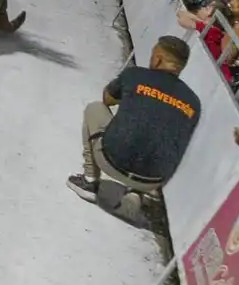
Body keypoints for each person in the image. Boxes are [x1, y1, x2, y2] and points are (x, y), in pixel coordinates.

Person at [68, 36, 199, 203]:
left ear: (158, 59)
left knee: (95, 109)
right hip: (153, 181)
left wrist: (137, 97)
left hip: (113, 162)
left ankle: (90, 180)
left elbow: (107, 100)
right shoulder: (194, 103)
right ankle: (139, 195)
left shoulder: (136, 75)